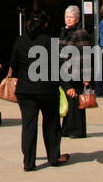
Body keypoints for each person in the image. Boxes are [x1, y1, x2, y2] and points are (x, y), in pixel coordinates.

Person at [9, 11, 69, 171]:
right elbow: (58, 68)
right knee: (51, 123)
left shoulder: (20, 41)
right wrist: (67, 86)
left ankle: (28, 162)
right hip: (47, 88)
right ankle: (54, 156)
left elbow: (13, 63)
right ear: (46, 25)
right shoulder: (50, 42)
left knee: (28, 125)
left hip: (25, 89)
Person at [59, 5, 92, 139]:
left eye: (71, 17)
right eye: (67, 16)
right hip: (64, 70)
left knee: (76, 101)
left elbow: (86, 55)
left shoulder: (80, 33)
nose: (68, 19)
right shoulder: (64, 31)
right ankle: (67, 128)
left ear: (77, 19)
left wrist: (86, 76)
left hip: (76, 71)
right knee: (69, 101)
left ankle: (77, 130)